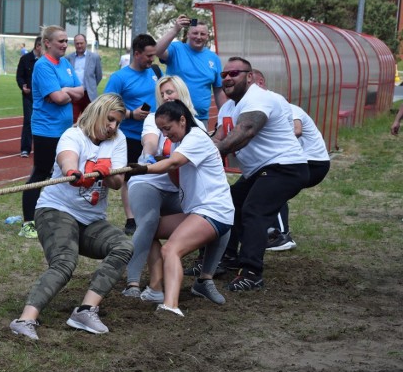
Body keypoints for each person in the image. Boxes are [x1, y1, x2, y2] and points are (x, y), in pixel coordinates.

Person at [10, 93, 133, 340]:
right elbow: (67, 159)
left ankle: (86, 310)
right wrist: (73, 171)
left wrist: (103, 172)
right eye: (110, 119)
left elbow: (118, 182)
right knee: (65, 262)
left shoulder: (118, 140)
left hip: (91, 220)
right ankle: (25, 320)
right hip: (56, 210)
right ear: (98, 113)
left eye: (118, 122)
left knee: (124, 246)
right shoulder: (73, 135)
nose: (113, 127)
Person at [128, 100, 234, 314]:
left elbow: (174, 163)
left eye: (167, 128)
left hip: (214, 211)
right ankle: (156, 288)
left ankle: (171, 305)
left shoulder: (195, 137)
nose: (165, 135)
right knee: (150, 230)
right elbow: (175, 172)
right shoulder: (180, 142)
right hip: (199, 211)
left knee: (171, 249)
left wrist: (143, 168)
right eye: (161, 130)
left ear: (183, 120)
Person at [213, 57, 309, 291]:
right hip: (263, 169)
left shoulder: (257, 98)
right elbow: (217, 136)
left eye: (234, 73)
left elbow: (246, 130)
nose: (227, 77)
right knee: (232, 202)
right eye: (224, 74)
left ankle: (251, 272)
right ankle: (228, 257)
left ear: (249, 77)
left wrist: (209, 153)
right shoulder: (230, 106)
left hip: (285, 167)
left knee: (254, 210)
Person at [122, 76, 199, 299]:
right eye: (163, 93)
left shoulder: (196, 124)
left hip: (177, 188)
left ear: (182, 93)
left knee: (212, 217)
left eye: (170, 92)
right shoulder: (155, 119)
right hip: (148, 181)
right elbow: (150, 142)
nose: (166, 97)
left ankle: (206, 278)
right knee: (148, 221)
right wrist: (148, 155)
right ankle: (133, 281)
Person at [251, 70, 330, 251]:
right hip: (304, 161)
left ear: (261, 83)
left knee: (275, 186)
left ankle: (282, 235)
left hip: (314, 162)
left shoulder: (289, 108)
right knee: (266, 187)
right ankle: (269, 231)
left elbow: (297, 129)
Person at [18, 25, 83, 239]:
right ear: (47, 43)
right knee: (41, 172)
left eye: (67, 41)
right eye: (61, 41)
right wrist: (64, 93)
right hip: (46, 130)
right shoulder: (43, 66)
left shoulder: (65, 63)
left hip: (65, 128)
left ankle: (60, 216)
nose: (65, 45)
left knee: (63, 172)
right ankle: (28, 222)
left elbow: (80, 91)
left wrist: (64, 91)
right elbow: (58, 98)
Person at [103, 34, 159, 235]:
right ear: (136, 54)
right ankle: (131, 219)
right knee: (128, 177)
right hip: (129, 135)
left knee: (149, 175)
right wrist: (130, 114)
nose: (153, 59)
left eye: (154, 56)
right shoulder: (119, 77)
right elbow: (107, 106)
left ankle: (147, 213)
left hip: (152, 135)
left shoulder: (154, 72)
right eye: (149, 56)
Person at [155, 16, 227, 128]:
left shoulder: (213, 58)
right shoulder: (177, 48)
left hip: (200, 119)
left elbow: (218, 91)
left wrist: (225, 116)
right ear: (188, 34)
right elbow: (157, 51)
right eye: (195, 33)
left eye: (202, 34)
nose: (198, 37)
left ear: (207, 36)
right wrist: (175, 29)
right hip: (173, 115)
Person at [66, 34, 103, 121]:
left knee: (89, 120)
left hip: (88, 94)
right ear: (74, 44)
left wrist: (91, 86)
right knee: (72, 119)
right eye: (77, 43)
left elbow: (99, 76)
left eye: (81, 43)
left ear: (86, 43)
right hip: (73, 93)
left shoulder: (94, 57)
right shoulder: (68, 58)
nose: (79, 45)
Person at [16, 35, 41, 158]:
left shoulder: (46, 61)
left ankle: (42, 148)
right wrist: (23, 86)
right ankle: (25, 148)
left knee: (43, 121)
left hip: (44, 97)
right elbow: (19, 76)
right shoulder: (25, 59)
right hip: (29, 96)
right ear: (38, 46)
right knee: (28, 121)